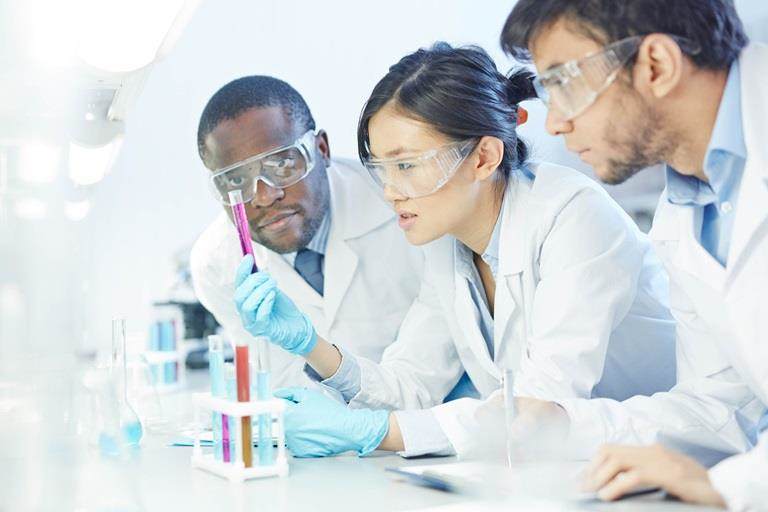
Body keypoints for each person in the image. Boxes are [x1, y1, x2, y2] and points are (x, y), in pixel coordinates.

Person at [232, 43, 677, 458]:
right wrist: (310, 344)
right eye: (382, 168)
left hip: (666, 462)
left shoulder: (573, 216)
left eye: (406, 165)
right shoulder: (450, 246)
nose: (389, 191)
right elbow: (410, 385)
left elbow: (535, 409)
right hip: (576, 472)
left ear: (483, 157)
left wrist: (372, 432)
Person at [500, 0, 768, 508]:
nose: (553, 123)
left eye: (563, 83)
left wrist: (729, 485)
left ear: (657, 66)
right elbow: (721, 405)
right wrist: (562, 422)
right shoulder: (688, 206)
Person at [190, 76, 423, 389]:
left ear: (321, 149)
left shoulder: (402, 203)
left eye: (282, 164)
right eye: (236, 181)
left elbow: (431, 370)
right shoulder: (216, 264)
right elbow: (279, 381)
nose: (264, 197)